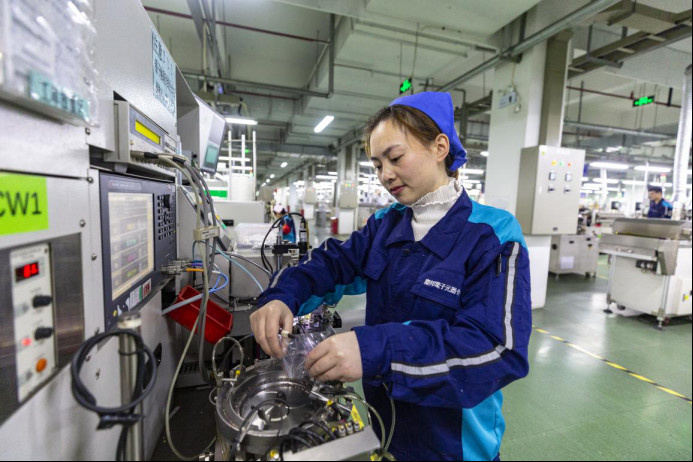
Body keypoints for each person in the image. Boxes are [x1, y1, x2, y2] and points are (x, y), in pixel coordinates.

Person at [251, 92, 531, 461]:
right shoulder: (386, 225)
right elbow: (332, 265)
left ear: (440, 147)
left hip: (454, 447)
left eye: (395, 158)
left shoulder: (492, 234)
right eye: (377, 164)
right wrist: (281, 295)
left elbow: (498, 349)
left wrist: (374, 349)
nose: (385, 175)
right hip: (387, 432)